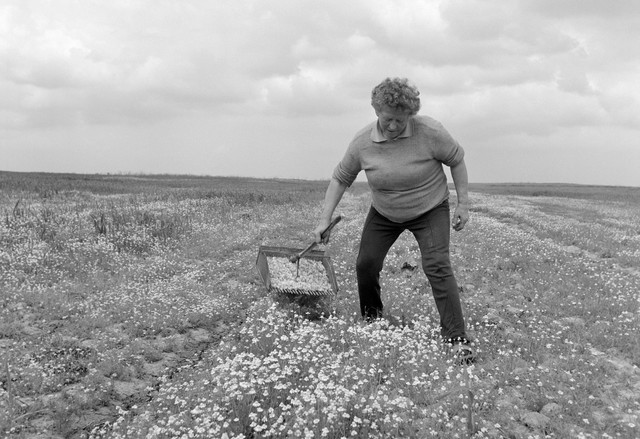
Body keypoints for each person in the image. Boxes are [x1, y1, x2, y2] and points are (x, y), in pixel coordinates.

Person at [313, 77, 475, 363]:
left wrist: (463, 202)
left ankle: (456, 338)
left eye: (400, 120)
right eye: (388, 119)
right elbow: (341, 178)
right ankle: (373, 323)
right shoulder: (362, 142)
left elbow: (456, 160)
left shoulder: (430, 131)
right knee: (366, 264)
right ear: (376, 111)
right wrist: (324, 218)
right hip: (385, 212)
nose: (393, 126)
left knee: (437, 264)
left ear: (410, 115)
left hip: (430, 208)